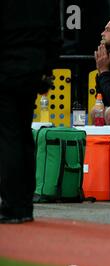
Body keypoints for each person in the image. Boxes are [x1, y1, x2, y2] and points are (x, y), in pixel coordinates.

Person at [0, 0, 61, 223]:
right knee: (24, 134)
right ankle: (25, 205)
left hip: (6, 68)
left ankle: (11, 206)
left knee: (9, 137)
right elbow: (55, 35)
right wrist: (47, 69)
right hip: (33, 69)